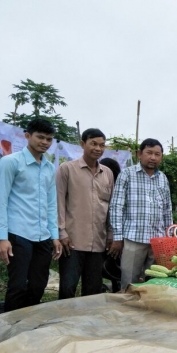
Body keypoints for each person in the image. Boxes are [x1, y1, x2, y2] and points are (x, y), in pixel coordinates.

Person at [0, 119, 62, 312]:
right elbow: (1, 201)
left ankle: (29, 323)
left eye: (49, 139)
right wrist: (2, 238)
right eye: (40, 137)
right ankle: (10, 324)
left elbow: (51, 204)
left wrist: (55, 235)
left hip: (43, 235)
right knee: (18, 285)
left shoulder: (49, 168)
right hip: (18, 233)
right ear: (27, 136)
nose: (45, 142)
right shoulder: (11, 162)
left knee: (38, 284)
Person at [56, 128, 114, 299]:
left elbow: (110, 206)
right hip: (72, 242)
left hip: (98, 243)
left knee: (93, 291)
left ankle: (87, 317)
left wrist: (111, 233)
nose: (98, 148)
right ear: (82, 144)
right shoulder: (67, 169)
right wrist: (61, 232)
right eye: (93, 144)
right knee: (68, 288)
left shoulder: (107, 173)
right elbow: (58, 202)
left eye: (102, 145)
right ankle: (65, 317)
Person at [108, 138, 173, 289]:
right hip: (133, 239)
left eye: (157, 154)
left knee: (155, 283)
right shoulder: (127, 174)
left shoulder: (162, 178)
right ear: (139, 154)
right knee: (129, 283)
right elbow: (116, 207)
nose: (153, 157)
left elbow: (167, 210)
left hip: (157, 241)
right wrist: (117, 238)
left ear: (161, 157)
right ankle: (128, 304)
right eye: (149, 153)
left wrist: (168, 237)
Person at [99, 157, 122, 293]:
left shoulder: (116, 189)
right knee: (112, 260)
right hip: (109, 231)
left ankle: (110, 284)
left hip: (109, 231)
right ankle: (114, 284)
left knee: (109, 260)